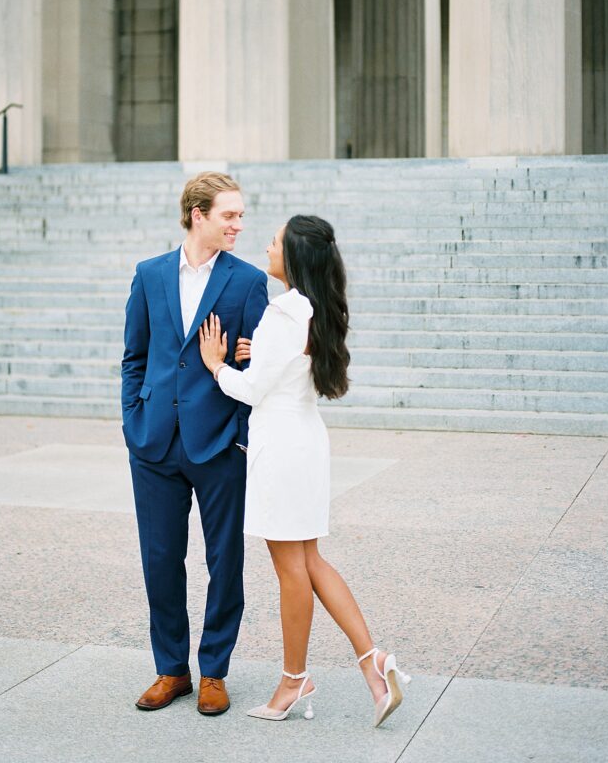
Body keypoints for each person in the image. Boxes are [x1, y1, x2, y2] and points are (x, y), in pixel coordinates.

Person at [198, 215, 410, 727]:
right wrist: (256, 354)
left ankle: (294, 679)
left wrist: (217, 364)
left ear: (292, 257)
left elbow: (250, 392)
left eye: (274, 241)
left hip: (282, 449)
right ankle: (373, 662)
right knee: (310, 559)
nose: (267, 246)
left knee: (290, 567)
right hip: (306, 442)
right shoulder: (311, 310)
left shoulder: (282, 313)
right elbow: (288, 368)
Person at [121, 172, 269, 716]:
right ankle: (171, 670)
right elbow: (134, 356)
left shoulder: (249, 281)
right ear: (197, 214)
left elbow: (260, 364)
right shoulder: (149, 274)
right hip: (154, 443)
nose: (238, 224)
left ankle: (214, 671)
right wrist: (132, 419)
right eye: (229, 215)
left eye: (240, 215)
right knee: (160, 558)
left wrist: (243, 438)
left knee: (224, 560)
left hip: (218, 443)